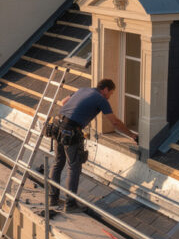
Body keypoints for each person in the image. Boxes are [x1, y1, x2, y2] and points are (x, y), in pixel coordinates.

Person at [47, 79, 137, 213]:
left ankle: (52, 199)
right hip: (70, 131)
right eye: (110, 93)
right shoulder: (101, 99)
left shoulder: (83, 89)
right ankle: (70, 204)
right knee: (74, 166)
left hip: (57, 125)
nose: (110, 96)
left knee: (58, 162)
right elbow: (115, 122)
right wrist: (133, 136)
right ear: (105, 89)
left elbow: (63, 102)